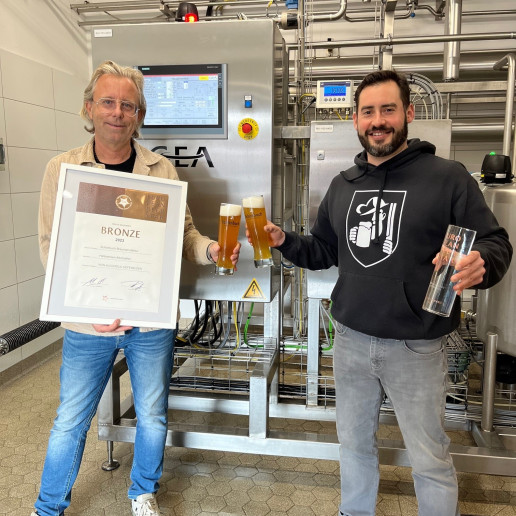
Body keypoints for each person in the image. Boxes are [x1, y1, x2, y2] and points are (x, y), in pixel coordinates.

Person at [253, 70, 512, 516]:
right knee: (354, 446)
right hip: (351, 340)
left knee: (429, 457)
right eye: (368, 112)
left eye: (388, 109)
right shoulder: (343, 185)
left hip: (417, 345)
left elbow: (496, 242)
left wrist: (482, 262)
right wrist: (284, 241)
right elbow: (323, 250)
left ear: (408, 113)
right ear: (356, 120)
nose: (378, 121)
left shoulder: (448, 178)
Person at [33, 60, 240, 516]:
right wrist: (86, 307)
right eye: (107, 102)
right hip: (87, 324)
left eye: (128, 105)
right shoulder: (63, 169)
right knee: (70, 419)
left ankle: (142, 492)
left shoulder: (161, 171)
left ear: (140, 115)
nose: (117, 112)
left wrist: (211, 251)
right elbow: (52, 246)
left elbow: (184, 235)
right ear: (89, 108)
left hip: (148, 320)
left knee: (152, 413)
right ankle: (48, 507)